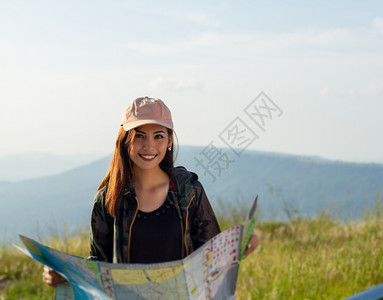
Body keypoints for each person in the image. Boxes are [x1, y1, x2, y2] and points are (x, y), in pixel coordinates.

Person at [43, 97, 258, 287]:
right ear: (126, 140)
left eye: (158, 136)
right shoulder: (108, 198)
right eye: (139, 136)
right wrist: (66, 272)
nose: (149, 146)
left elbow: (211, 254)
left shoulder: (188, 191)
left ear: (170, 140)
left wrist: (239, 244)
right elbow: (100, 263)